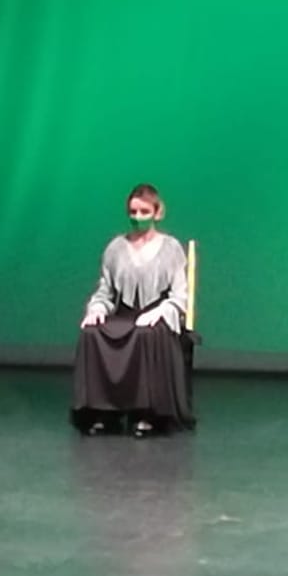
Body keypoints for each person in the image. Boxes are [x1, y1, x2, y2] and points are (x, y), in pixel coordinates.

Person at [71, 183, 196, 437]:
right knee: (92, 333)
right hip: (125, 313)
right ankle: (104, 411)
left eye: (144, 211)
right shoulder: (116, 248)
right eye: (133, 212)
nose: (138, 217)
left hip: (158, 314)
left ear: (157, 212)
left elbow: (179, 295)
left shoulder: (170, 248)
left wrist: (160, 312)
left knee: (145, 334)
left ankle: (147, 413)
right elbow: (105, 291)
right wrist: (96, 309)